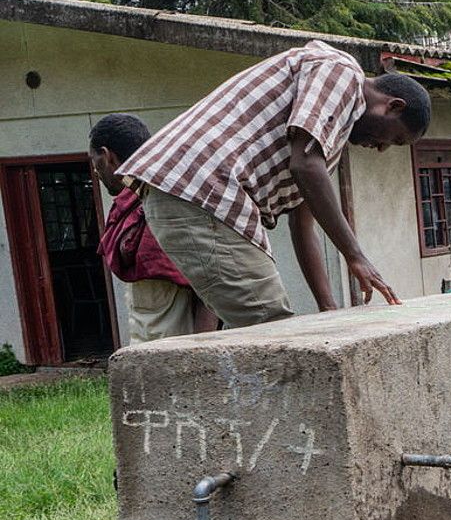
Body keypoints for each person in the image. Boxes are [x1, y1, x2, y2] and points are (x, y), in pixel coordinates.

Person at [117, 40, 430, 327]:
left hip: (202, 196)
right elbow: (304, 166)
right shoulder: (342, 71)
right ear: (393, 105)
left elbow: (303, 224)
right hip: (202, 189)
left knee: (271, 328)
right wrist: (356, 256)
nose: (381, 148)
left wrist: (329, 309)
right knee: (272, 328)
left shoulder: (325, 142)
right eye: (395, 139)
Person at [90, 113, 219, 342]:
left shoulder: (164, 204)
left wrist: (201, 350)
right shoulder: (126, 205)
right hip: (142, 344)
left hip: (179, 349)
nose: (95, 172)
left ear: (107, 156)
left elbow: (208, 285)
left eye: (95, 162)